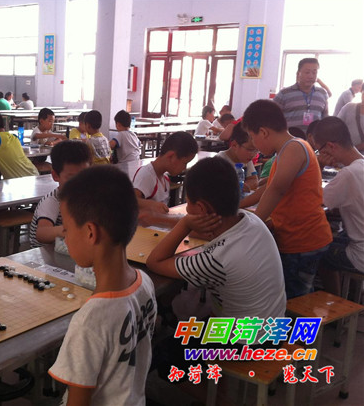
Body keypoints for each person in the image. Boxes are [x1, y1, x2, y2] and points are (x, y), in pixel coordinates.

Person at [146, 157, 286, 380]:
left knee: (164, 357)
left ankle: (212, 392)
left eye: (188, 203)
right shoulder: (252, 221)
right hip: (271, 325)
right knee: (180, 312)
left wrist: (184, 223)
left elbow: (155, 262)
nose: (187, 208)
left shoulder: (217, 260)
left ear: (201, 209)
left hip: (248, 342)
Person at [48, 165, 157, 406]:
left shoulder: (90, 321)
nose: (65, 237)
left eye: (66, 229)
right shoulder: (144, 283)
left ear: (90, 232)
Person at [243, 99, 332, 298]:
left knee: (294, 299)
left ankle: (301, 320)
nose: (254, 144)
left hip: (302, 240)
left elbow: (277, 190)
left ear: (263, 132)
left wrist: (252, 225)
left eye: (252, 137)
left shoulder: (293, 148)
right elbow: (267, 188)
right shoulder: (288, 150)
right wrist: (238, 205)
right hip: (299, 238)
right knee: (295, 295)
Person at [312, 117, 364, 297]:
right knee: (336, 237)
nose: (320, 155)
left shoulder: (349, 174)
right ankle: (350, 296)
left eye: (319, 150)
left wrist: (318, 166)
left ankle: (335, 301)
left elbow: (313, 203)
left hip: (360, 256)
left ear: (330, 146)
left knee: (320, 252)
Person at [29, 140, 91, 248]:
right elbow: (42, 233)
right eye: (72, 178)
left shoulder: (86, 198)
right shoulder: (52, 201)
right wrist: (69, 230)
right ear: (55, 176)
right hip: (46, 255)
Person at [133, 132, 198, 228]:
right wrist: (150, 204)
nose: (185, 168)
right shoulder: (146, 175)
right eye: (184, 163)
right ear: (171, 156)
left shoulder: (165, 178)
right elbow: (130, 201)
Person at [273, 58, 329, 133]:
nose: (311, 76)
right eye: (307, 72)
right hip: (290, 139)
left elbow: (325, 119)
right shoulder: (284, 94)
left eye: (314, 72)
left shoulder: (322, 93)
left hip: (314, 139)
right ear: (298, 73)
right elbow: (272, 118)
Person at [215, 123, 259, 192]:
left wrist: (241, 187)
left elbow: (254, 180)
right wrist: (238, 187)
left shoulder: (246, 159)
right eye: (250, 149)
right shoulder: (219, 162)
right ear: (234, 145)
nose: (254, 154)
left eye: (257, 150)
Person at [336, 82, 364, 151]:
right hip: (345, 155)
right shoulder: (349, 108)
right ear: (361, 92)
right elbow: (335, 129)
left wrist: (349, 151)